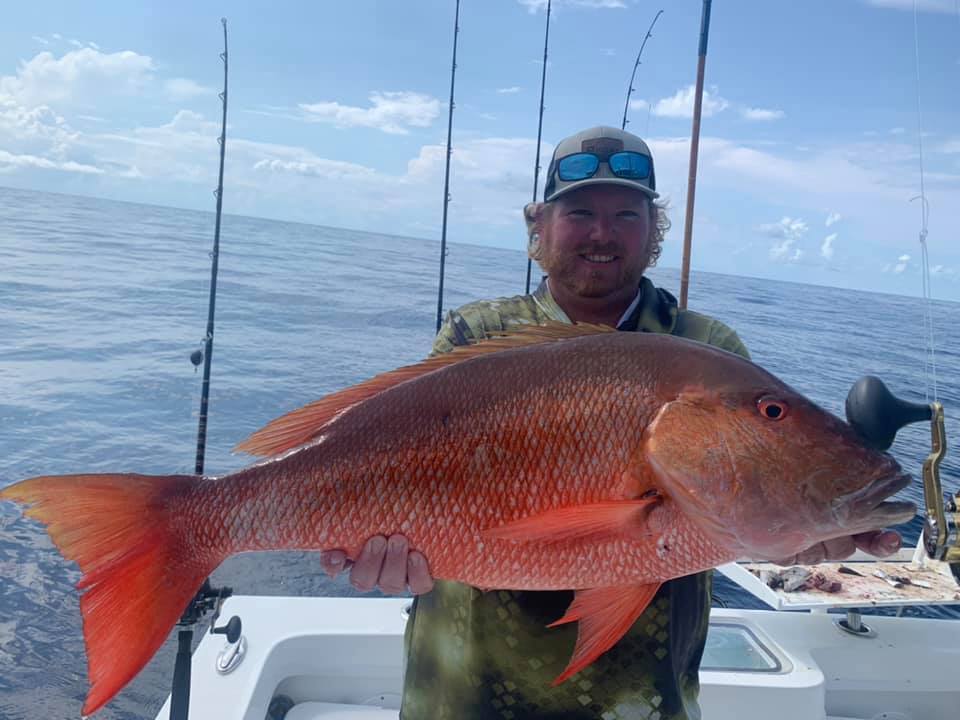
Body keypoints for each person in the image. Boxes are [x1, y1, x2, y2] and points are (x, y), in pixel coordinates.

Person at [320, 126, 903, 719]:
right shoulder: (478, 335)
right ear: (539, 226)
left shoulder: (706, 347)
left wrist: (794, 540)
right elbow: (392, 464)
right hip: (464, 692)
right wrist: (385, 559)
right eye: (579, 213)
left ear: (654, 233)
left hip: (644, 699)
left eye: (627, 214)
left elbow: (732, 509)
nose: (602, 233)